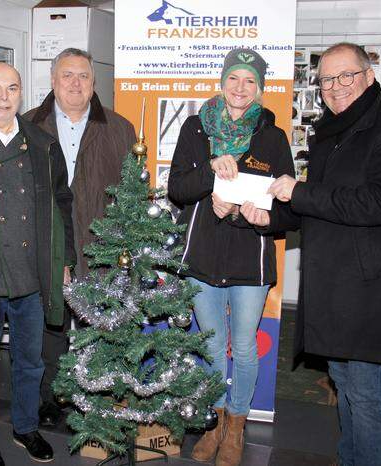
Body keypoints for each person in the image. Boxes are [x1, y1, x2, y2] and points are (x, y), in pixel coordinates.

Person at [266, 42, 381, 466]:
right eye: (326, 80)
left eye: (346, 76)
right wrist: (266, 216)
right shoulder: (326, 136)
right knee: (342, 381)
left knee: (368, 395)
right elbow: (316, 209)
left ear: (369, 77)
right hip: (332, 287)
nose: (336, 87)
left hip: (369, 291)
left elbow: (378, 203)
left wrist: (298, 191)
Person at [167, 48, 295, 466]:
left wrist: (252, 215)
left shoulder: (272, 138)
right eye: (233, 79)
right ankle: (215, 421)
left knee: (242, 347)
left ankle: (236, 425)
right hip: (201, 256)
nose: (240, 88)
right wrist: (209, 175)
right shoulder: (195, 129)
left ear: (259, 89)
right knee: (210, 347)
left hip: (249, 262)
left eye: (250, 81)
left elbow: (287, 210)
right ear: (222, 83)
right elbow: (178, 189)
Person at [0, 62, 75, 466]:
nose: (4, 96)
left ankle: (25, 428)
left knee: (30, 361)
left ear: (21, 93)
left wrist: (64, 260)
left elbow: (63, 203)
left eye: (12, 88)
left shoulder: (41, 143)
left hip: (31, 276)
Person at [23, 47, 136, 426]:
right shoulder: (26, 128)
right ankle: (52, 399)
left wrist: (124, 248)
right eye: (67, 75)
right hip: (47, 246)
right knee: (50, 329)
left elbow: (132, 194)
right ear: (53, 81)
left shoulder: (119, 129)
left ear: (94, 84)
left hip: (102, 249)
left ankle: (95, 397)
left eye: (82, 76)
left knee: (98, 329)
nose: (75, 83)